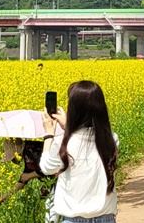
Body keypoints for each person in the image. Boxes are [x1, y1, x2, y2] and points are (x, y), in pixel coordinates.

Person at [40, 81, 118, 223]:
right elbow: (85, 142)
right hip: (106, 219)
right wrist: (68, 129)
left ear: (73, 110)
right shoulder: (111, 140)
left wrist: (49, 134)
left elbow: (47, 168)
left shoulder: (62, 143)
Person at [0, 139, 48, 204]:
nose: (13, 161)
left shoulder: (31, 151)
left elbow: (47, 168)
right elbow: (23, 180)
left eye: (13, 158)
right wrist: (4, 197)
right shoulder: (28, 152)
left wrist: (29, 176)